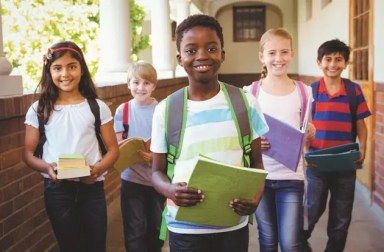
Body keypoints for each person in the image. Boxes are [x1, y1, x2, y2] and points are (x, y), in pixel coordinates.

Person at [150, 14, 269, 252]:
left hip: (232, 225)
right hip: (185, 228)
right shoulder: (166, 109)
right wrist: (169, 189)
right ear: (179, 58)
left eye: (211, 48)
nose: (202, 55)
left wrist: (255, 198)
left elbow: (257, 163)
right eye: (191, 50)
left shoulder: (246, 103)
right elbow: (156, 172)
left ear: (222, 54)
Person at [23, 41, 119, 252]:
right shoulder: (39, 109)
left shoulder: (96, 107)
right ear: (49, 71)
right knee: (69, 246)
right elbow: (29, 154)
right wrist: (47, 168)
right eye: (57, 68)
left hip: (91, 188)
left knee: (96, 245)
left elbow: (113, 149)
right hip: (57, 190)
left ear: (81, 69)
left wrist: (97, 170)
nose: (65, 73)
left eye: (72, 66)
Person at [243, 28, 316, 252]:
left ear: (292, 54)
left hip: (291, 177)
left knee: (290, 242)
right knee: (267, 239)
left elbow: (307, 132)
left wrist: (310, 131)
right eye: (272, 52)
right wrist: (254, 142)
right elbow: (243, 136)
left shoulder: (304, 91)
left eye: (284, 52)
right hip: (261, 177)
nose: (278, 58)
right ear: (261, 56)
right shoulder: (251, 92)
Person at [302, 39, 371, 252]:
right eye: (328, 59)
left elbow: (362, 126)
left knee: (341, 217)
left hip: (345, 164)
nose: (333, 64)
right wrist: (306, 153)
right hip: (317, 164)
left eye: (339, 59)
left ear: (346, 63)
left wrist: (363, 149)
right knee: (311, 210)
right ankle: (299, 244)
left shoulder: (353, 91)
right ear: (318, 63)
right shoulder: (310, 91)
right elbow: (304, 126)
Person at [113, 62, 165, 252]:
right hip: (131, 179)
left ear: (154, 85)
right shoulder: (122, 111)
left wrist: (155, 157)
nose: (140, 88)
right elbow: (118, 145)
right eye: (135, 82)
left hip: (157, 179)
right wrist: (129, 153)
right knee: (135, 229)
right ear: (128, 84)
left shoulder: (162, 110)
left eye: (146, 83)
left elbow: (171, 145)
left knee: (156, 227)